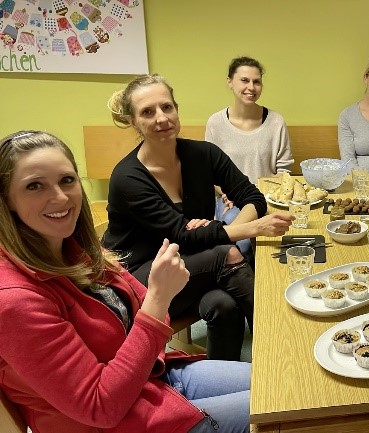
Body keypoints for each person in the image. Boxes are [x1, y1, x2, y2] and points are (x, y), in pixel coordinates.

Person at [0, 131, 250, 433]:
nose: (61, 197)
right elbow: (100, 407)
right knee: (283, 405)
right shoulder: (15, 301)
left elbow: (148, 308)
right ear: (7, 201)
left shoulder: (74, 249)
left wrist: (153, 311)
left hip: (149, 381)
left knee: (278, 383)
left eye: (67, 180)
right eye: (34, 186)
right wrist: (157, 301)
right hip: (121, 420)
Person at [103, 74, 293, 361]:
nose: (161, 118)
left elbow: (252, 197)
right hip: (139, 278)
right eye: (147, 112)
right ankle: (282, 347)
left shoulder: (203, 154)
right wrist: (250, 229)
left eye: (167, 107)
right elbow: (183, 235)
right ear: (133, 122)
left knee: (223, 304)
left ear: (176, 109)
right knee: (226, 255)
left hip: (191, 262)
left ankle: (226, 377)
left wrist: (215, 233)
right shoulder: (128, 177)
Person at [205, 56, 294, 251]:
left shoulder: (276, 122)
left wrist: (266, 194)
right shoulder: (215, 123)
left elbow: (284, 170)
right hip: (231, 199)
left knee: (284, 240)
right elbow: (209, 172)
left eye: (257, 82)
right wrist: (228, 193)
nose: (251, 87)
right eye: (244, 80)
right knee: (241, 243)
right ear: (230, 81)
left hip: (269, 197)